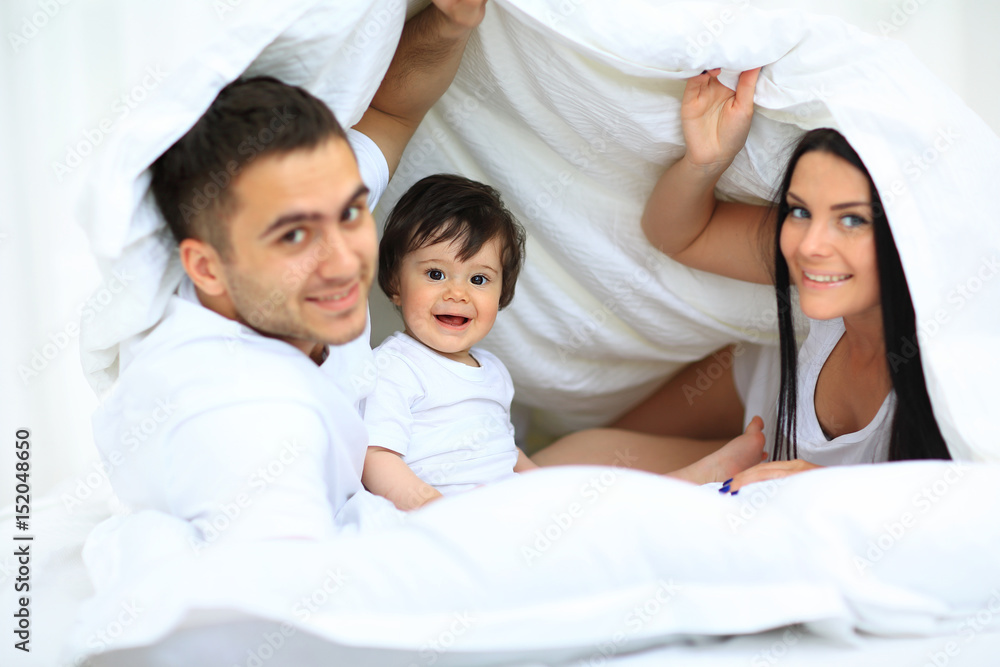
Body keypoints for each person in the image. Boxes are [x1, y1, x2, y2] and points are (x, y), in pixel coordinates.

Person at [92, 0, 492, 540]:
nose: (345, 260)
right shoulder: (247, 415)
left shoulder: (298, 202)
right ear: (207, 269)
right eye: (295, 236)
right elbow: (292, 595)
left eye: (350, 212)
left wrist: (452, 20)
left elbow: (392, 114)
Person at [537, 67, 951, 491]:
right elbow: (679, 234)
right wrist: (706, 161)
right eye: (800, 211)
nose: (810, 246)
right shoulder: (825, 267)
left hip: (779, 469)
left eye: (851, 219)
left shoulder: (955, 373)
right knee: (561, 467)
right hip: (756, 393)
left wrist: (835, 491)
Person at [360, 174, 538, 510]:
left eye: (479, 279)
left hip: (506, 512)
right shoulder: (394, 366)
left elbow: (504, 451)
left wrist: (549, 488)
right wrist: (435, 511)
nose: (457, 293)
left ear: (502, 293)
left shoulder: (494, 372)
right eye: (436, 274)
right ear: (395, 283)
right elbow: (377, 456)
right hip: (440, 516)